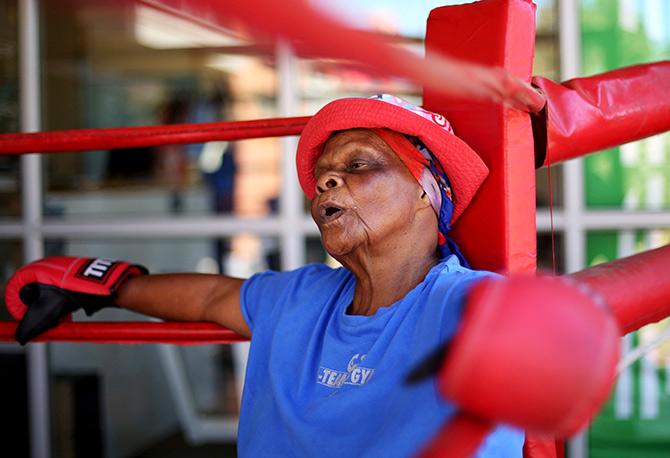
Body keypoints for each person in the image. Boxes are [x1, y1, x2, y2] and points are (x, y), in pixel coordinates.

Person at [6, 94, 524, 456]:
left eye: (359, 164)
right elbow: (210, 297)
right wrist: (99, 281)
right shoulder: (303, 296)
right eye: (323, 176)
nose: (326, 181)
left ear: (424, 190)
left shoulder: (470, 306)